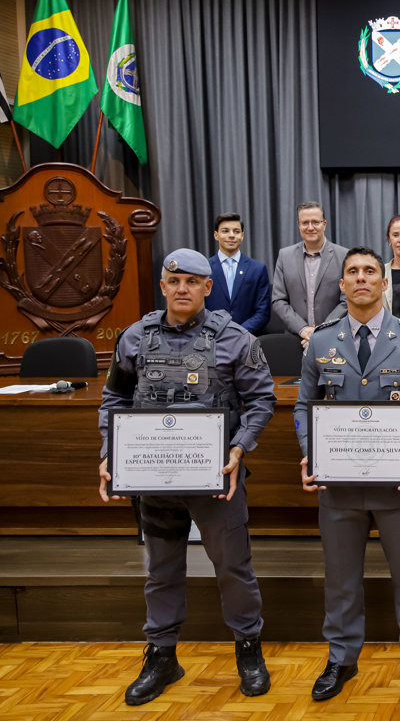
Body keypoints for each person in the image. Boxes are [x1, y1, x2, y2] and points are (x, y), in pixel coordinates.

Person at [97, 248, 276, 705]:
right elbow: (114, 402)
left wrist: (239, 447)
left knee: (233, 567)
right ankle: (162, 654)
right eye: (174, 281)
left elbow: (261, 402)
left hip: (217, 480)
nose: (182, 289)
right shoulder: (134, 337)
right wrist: (109, 454)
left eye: (192, 282)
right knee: (161, 570)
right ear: (163, 285)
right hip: (153, 482)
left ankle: (248, 649)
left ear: (207, 287)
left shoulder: (235, 339)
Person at [293, 247, 400, 702]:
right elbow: (304, 407)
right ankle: (341, 658)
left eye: (370, 272)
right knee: (340, 579)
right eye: (352, 273)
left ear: (385, 283)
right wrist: (310, 451)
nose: (361, 278)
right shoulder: (321, 342)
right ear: (341, 285)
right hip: (339, 488)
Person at [271, 201, 348, 347]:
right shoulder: (284, 256)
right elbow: (278, 300)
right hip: (296, 339)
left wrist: (321, 331)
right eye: (305, 222)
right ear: (299, 225)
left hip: (334, 339)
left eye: (315, 222)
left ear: (324, 224)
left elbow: (347, 301)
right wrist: (303, 329)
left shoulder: (344, 255)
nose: (310, 227)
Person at [205, 212, 271, 335]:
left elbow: (263, 312)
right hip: (212, 339)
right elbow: (199, 308)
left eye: (236, 231)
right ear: (216, 235)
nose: (231, 235)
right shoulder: (204, 269)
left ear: (242, 236)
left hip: (247, 338)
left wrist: (238, 333)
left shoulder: (257, 269)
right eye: (225, 231)